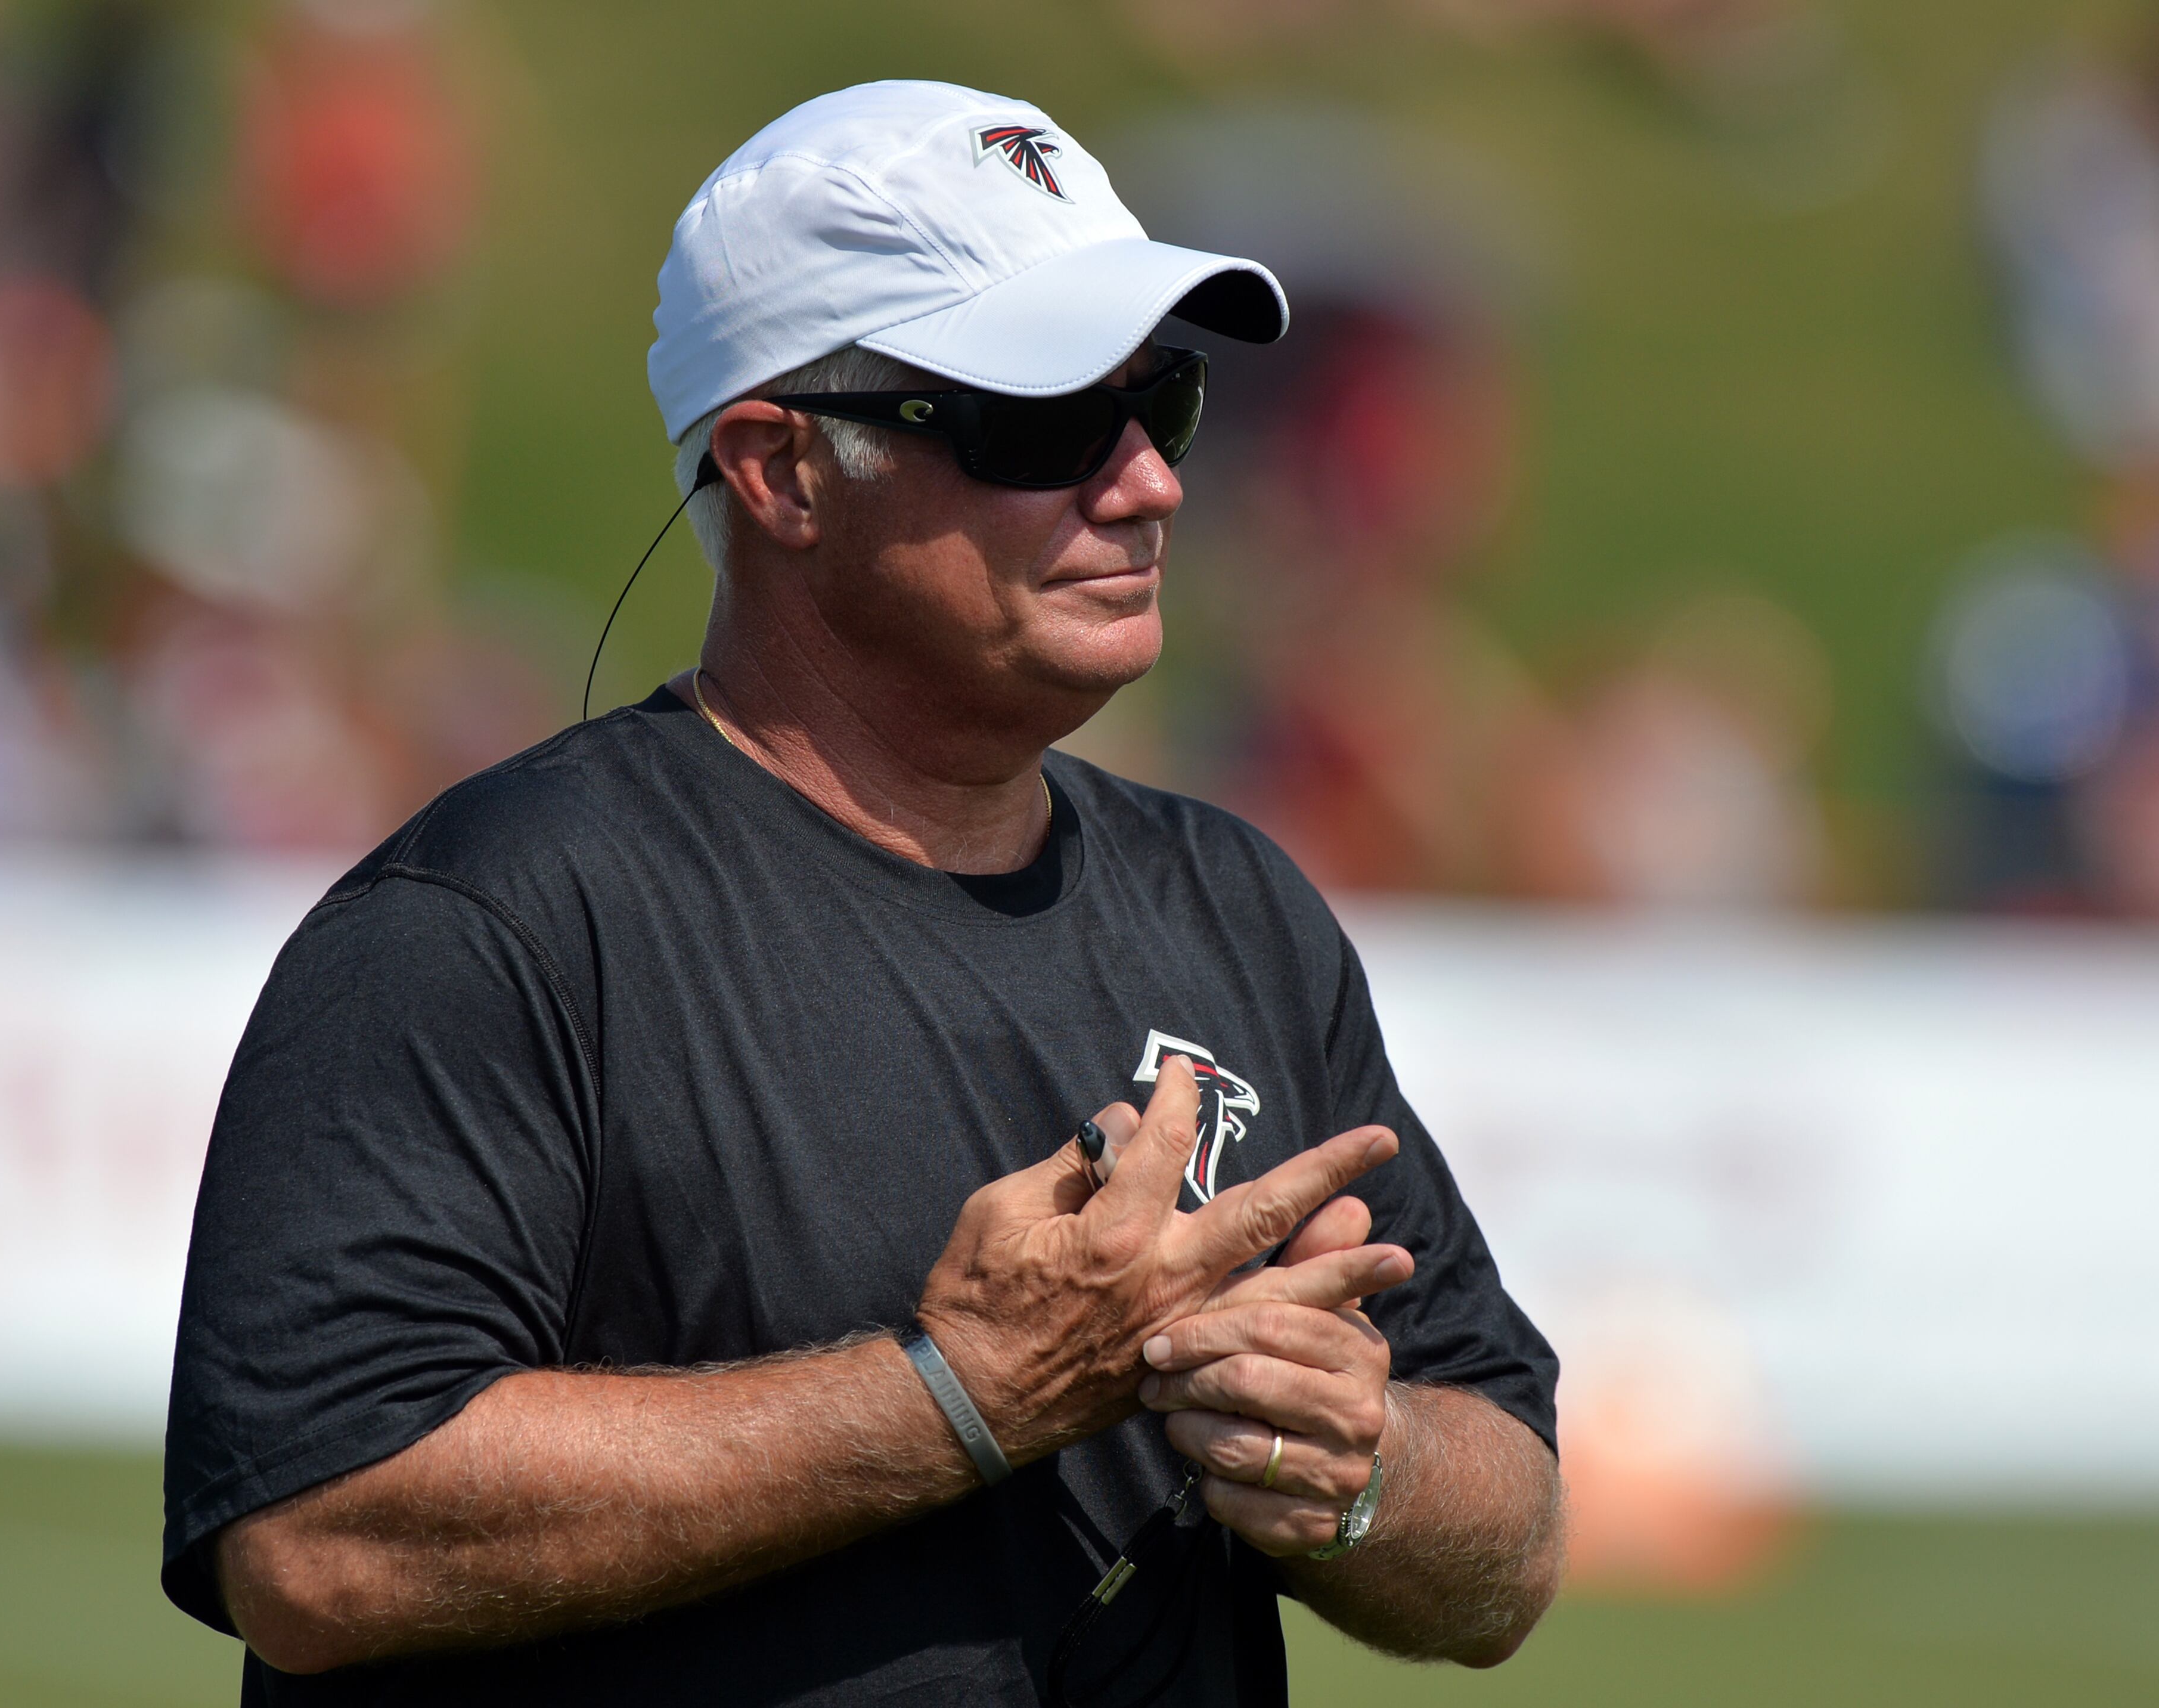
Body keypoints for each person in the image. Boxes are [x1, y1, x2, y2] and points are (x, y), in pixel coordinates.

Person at [161, 80, 1562, 1706]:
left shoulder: (1236, 906)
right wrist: (961, 1396)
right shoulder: (494, 926)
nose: (1149, 483)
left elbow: (1511, 1529)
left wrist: (1358, 1459)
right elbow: (316, 1537)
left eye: (1162, 403)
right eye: (1042, 422)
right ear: (781, 472)